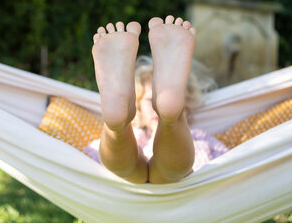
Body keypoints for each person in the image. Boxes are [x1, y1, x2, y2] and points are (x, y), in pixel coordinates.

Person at [87, 16, 228, 184]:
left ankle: (116, 127)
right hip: (180, 183)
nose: (154, 109)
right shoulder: (197, 137)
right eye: (149, 101)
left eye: (157, 100)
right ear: (137, 106)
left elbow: (92, 158)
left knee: (125, 167)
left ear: (188, 105)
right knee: (167, 168)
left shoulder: (199, 137)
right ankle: (168, 119)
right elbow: (229, 164)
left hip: (177, 183)